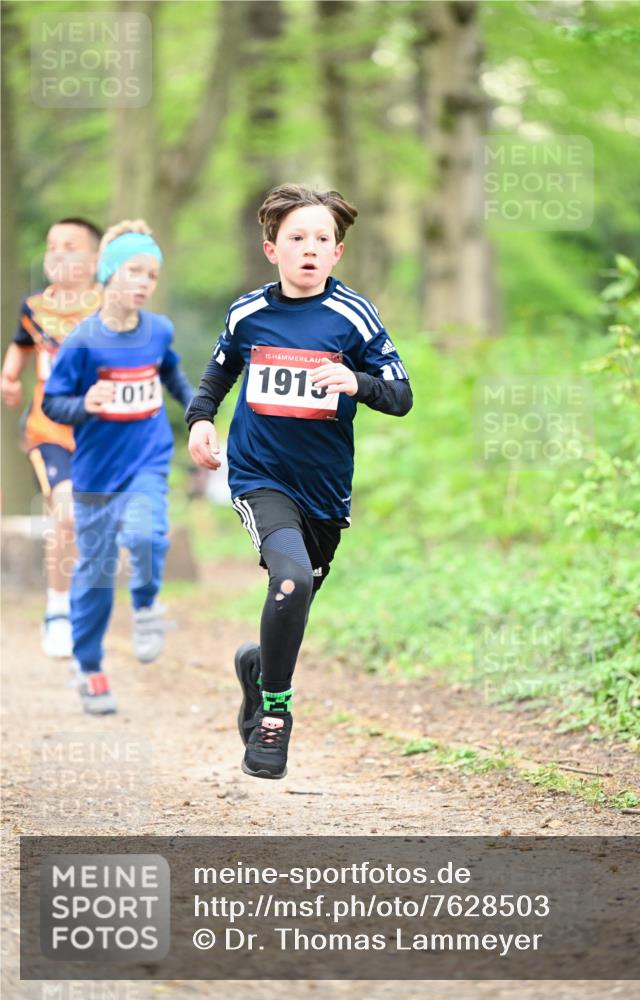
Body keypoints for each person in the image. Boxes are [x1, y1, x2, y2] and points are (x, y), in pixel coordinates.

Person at [186, 184, 412, 779]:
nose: (310, 248)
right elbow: (216, 376)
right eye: (297, 238)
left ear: (336, 253)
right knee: (287, 582)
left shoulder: (352, 316)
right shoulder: (247, 314)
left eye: (322, 239)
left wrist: (354, 382)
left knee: (299, 595)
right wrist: (200, 422)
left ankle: (260, 668)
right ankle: (274, 716)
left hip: (324, 491)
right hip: (259, 475)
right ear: (272, 249)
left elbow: (401, 396)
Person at [42, 220, 194, 714]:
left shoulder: (159, 330)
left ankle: (147, 607)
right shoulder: (82, 343)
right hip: (95, 475)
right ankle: (89, 668)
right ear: (110, 274)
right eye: (135, 271)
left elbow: (169, 369)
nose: (144, 283)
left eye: (151, 275)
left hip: (147, 458)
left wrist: (197, 412)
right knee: (96, 576)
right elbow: (52, 404)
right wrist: (86, 401)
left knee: (149, 533)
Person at [1, 217, 103, 658]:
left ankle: (83, 602)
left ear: (96, 260)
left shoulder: (110, 308)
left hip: (100, 434)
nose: (58, 253)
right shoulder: (34, 307)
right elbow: (23, 342)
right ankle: (58, 610)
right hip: (49, 430)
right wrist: (9, 376)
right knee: (65, 514)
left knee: (85, 520)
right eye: (52, 245)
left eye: (71, 246)